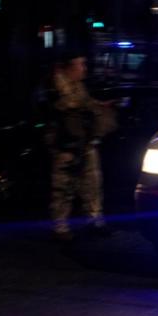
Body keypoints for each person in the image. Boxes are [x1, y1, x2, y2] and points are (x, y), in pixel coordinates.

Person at [47, 52, 114, 241]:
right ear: (69, 67)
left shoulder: (78, 87)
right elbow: (66, 111)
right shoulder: (58, 88)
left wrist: (100, 107)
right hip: (66, 147)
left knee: (91, 185)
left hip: (84, 144)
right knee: (64, 187)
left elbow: (87, 106)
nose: (84, 69)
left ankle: (94, 221)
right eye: (80, 65)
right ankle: (60, 228)